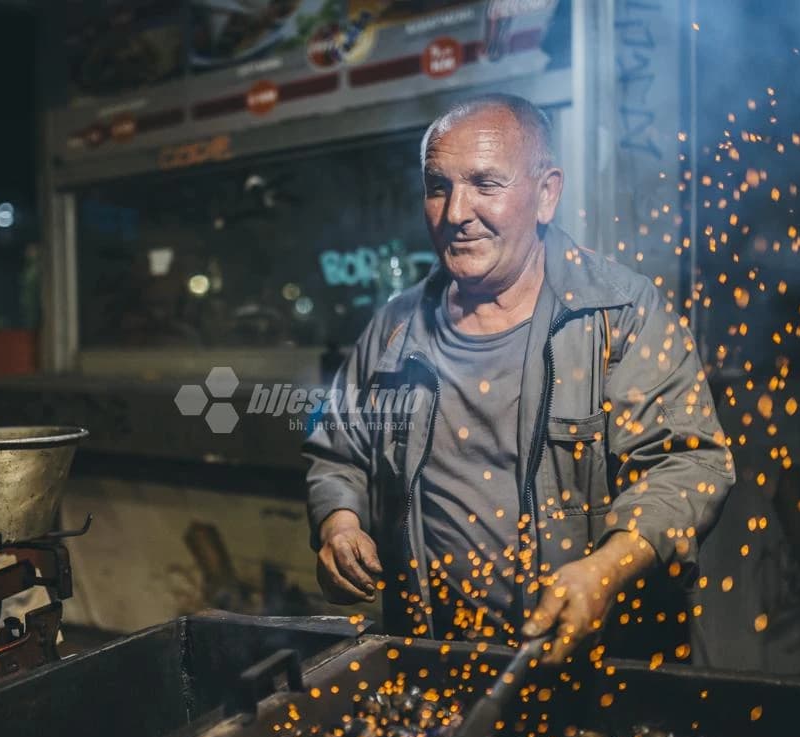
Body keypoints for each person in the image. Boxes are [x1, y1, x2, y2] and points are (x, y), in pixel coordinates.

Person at [303, 94, 735, 665]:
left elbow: (688, 465)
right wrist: (338, 523)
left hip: (597, 667)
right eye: (438, 187)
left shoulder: (620, 314)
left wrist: (608, 569)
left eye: (486, 184)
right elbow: (338, 450)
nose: (456, 212)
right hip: (433, 662)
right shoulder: (395, 327)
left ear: (546, 194)